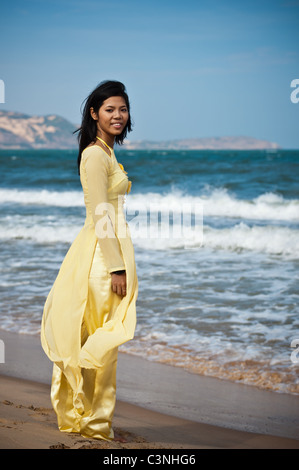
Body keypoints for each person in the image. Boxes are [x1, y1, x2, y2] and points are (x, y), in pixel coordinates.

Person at [40, 80, 138, 441]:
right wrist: (115, 267)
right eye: (109, 109)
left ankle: (83, 415)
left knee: (94, 336)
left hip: (103, 252)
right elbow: (101, 214)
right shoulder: (95, 155)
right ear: (94, 114)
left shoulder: (107, 152)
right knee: (105, 341)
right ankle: (96, 425)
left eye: (122, 109)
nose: (117, 115)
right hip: (100, 259)